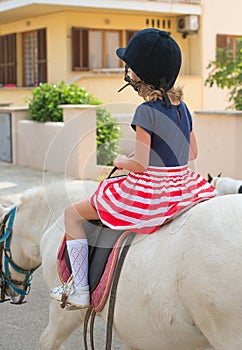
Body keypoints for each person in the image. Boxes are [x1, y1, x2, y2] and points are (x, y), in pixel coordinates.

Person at [50, 28, 216, 309]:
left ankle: (79, 288)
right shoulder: (182, 107)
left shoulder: (145, 112)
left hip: (154, 189)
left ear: (141, 73)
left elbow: (139, 165)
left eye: (132, 68)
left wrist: (119, 161)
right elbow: (192, 152)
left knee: (73, 213)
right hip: (183, 185)